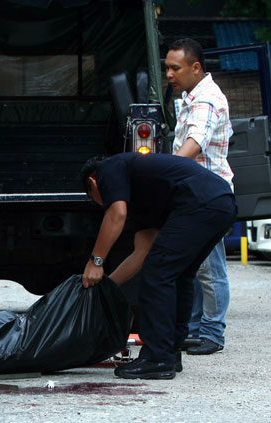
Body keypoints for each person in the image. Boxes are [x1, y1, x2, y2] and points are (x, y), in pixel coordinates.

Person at [80, 152, 236, 380]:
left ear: (92, 183)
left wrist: (96, 261)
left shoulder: (108, 168)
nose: (101, 203)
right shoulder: (144, 195)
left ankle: (157, 358)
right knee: (178, 274)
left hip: (203, 202)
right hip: (221, 203)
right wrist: (107, 285)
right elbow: (141, 253)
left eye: (93, 197)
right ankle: (169, 353)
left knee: (159, 272)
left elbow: (116, 214)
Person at [166, 38, 234, 356]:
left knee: (210, 268)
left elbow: (195, 141)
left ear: (195, 67)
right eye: (166, 67)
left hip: (207, 197)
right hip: (199, 195)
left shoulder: (205, 100)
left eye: (174, 68)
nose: (168, 73)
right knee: (192, 265)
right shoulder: (193, 97)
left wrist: (167, 169)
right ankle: (194, 328)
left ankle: (212, 332)